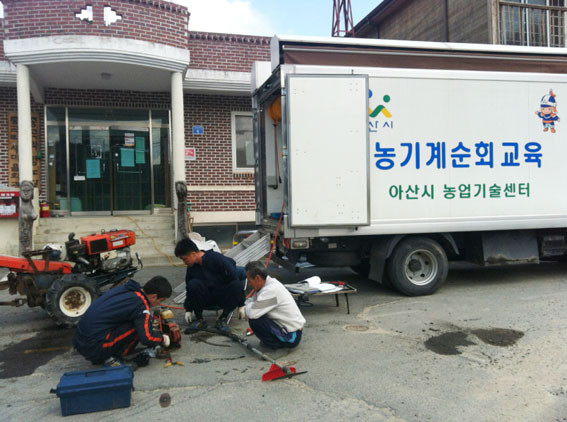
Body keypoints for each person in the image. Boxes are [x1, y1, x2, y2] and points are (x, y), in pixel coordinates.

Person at [73, 276, 172, 365]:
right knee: (139, 327)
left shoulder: (126, 289)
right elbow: (147, 338)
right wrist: (162, 339)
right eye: (161, 301)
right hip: (94, 348)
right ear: (154, 296)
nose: (159, 304)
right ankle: (121, 355)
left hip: (80, 341)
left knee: (138, 321)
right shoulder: (140, 305)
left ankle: (106, 352)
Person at [175, 238, 245, 333]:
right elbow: (189, 289)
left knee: (236, 284)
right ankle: (200, 320)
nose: (184, 262)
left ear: (193, 254)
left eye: (184, 259)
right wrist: (188, 309)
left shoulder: (217, 258)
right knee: (193, 284)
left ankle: (223, 318)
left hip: (223, 297)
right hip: (206, 299)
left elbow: (234, 279)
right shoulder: (192, 267)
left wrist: (241, 304)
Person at [244, 261, 305, 349]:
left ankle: (276, 345)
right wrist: (250, 306)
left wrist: (246, 308)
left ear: (257, 278)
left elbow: (252, 313)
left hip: (292, 336)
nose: (249, 284)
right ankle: (277, 341)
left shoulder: (271, 290)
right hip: (291, 330)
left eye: (249, 280)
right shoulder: (267, 285)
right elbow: (252, 302)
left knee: (255, 321)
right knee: (257, 313)